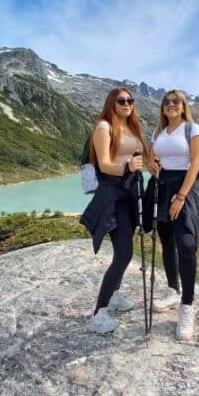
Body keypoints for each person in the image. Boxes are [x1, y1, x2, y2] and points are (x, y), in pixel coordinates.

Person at [80, 88, 146, 334]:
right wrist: (127, 166)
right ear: (112, 103)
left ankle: (115, 296)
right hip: (113, 197)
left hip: (130, 196)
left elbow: (138, 160)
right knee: (124, 254)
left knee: (124, 250)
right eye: (121, 100)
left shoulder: (131, 127)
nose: (127, 103)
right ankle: (99, 313)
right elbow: (105, 164)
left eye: (130, 100)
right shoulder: (103, 128)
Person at [147, 89, 199, 341]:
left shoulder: (193, 129)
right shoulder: (157, 132)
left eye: (175, 102)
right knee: (167, 242)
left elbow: (194, 163)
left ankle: (187, 306)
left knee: (187, 244)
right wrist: (152, 167)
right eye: (166, 102)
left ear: (183, 106)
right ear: (163, 107)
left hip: (184, 188)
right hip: (161, 186)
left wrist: (181, 196)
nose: (170, 105)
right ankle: (173, 290)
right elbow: (154, 161)